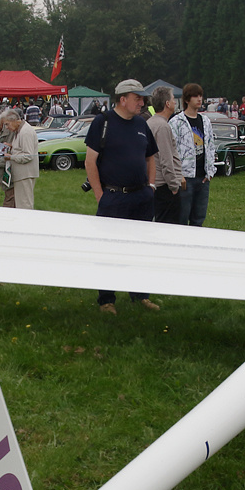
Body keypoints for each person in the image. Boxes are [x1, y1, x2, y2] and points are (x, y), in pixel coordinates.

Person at [84, 79, 159, 314]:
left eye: (143, 98)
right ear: (123, 99)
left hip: (142, 198)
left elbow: (150, 158)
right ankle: (107, 300)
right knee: (109, 250)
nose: (142, 102)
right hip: (113, 198)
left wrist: (151, 186)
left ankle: (140, 294)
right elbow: (90, 161)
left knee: (141, 248)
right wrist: (100, 195)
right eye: (138, 98)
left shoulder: (141, 123)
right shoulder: (102, 122)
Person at [169, 83, 216, 227]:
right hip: (185, 179)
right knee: (182, 218)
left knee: (199, 219)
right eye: (195, 96)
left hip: (203, 178)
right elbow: (171, 150)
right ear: (187, 99)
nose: (199, 99)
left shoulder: (206, 121)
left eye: (201, 95)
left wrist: (210, 172)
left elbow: (211, 145)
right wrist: (179, 175)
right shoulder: (176, 122)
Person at [147, 86, 184, 224]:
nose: (175, 102)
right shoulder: (162, 127)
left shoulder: (150, 122)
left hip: (156, 185)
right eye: (173, 99)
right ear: (167, 103)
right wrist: (174, 187)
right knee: (169, 227)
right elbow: (166, 160)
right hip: (165, 187)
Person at [2, 109, 38, 210]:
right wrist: (11, 147)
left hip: (25, 174)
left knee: (24, 205)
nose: (7, 127)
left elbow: (28, 155)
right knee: (20, 204)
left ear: (14, 120)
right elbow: (21, 149)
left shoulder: (25, 132)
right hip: (21, 174)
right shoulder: (19, 131)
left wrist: (11, 157)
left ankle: (26, 224)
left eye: (7, 124)